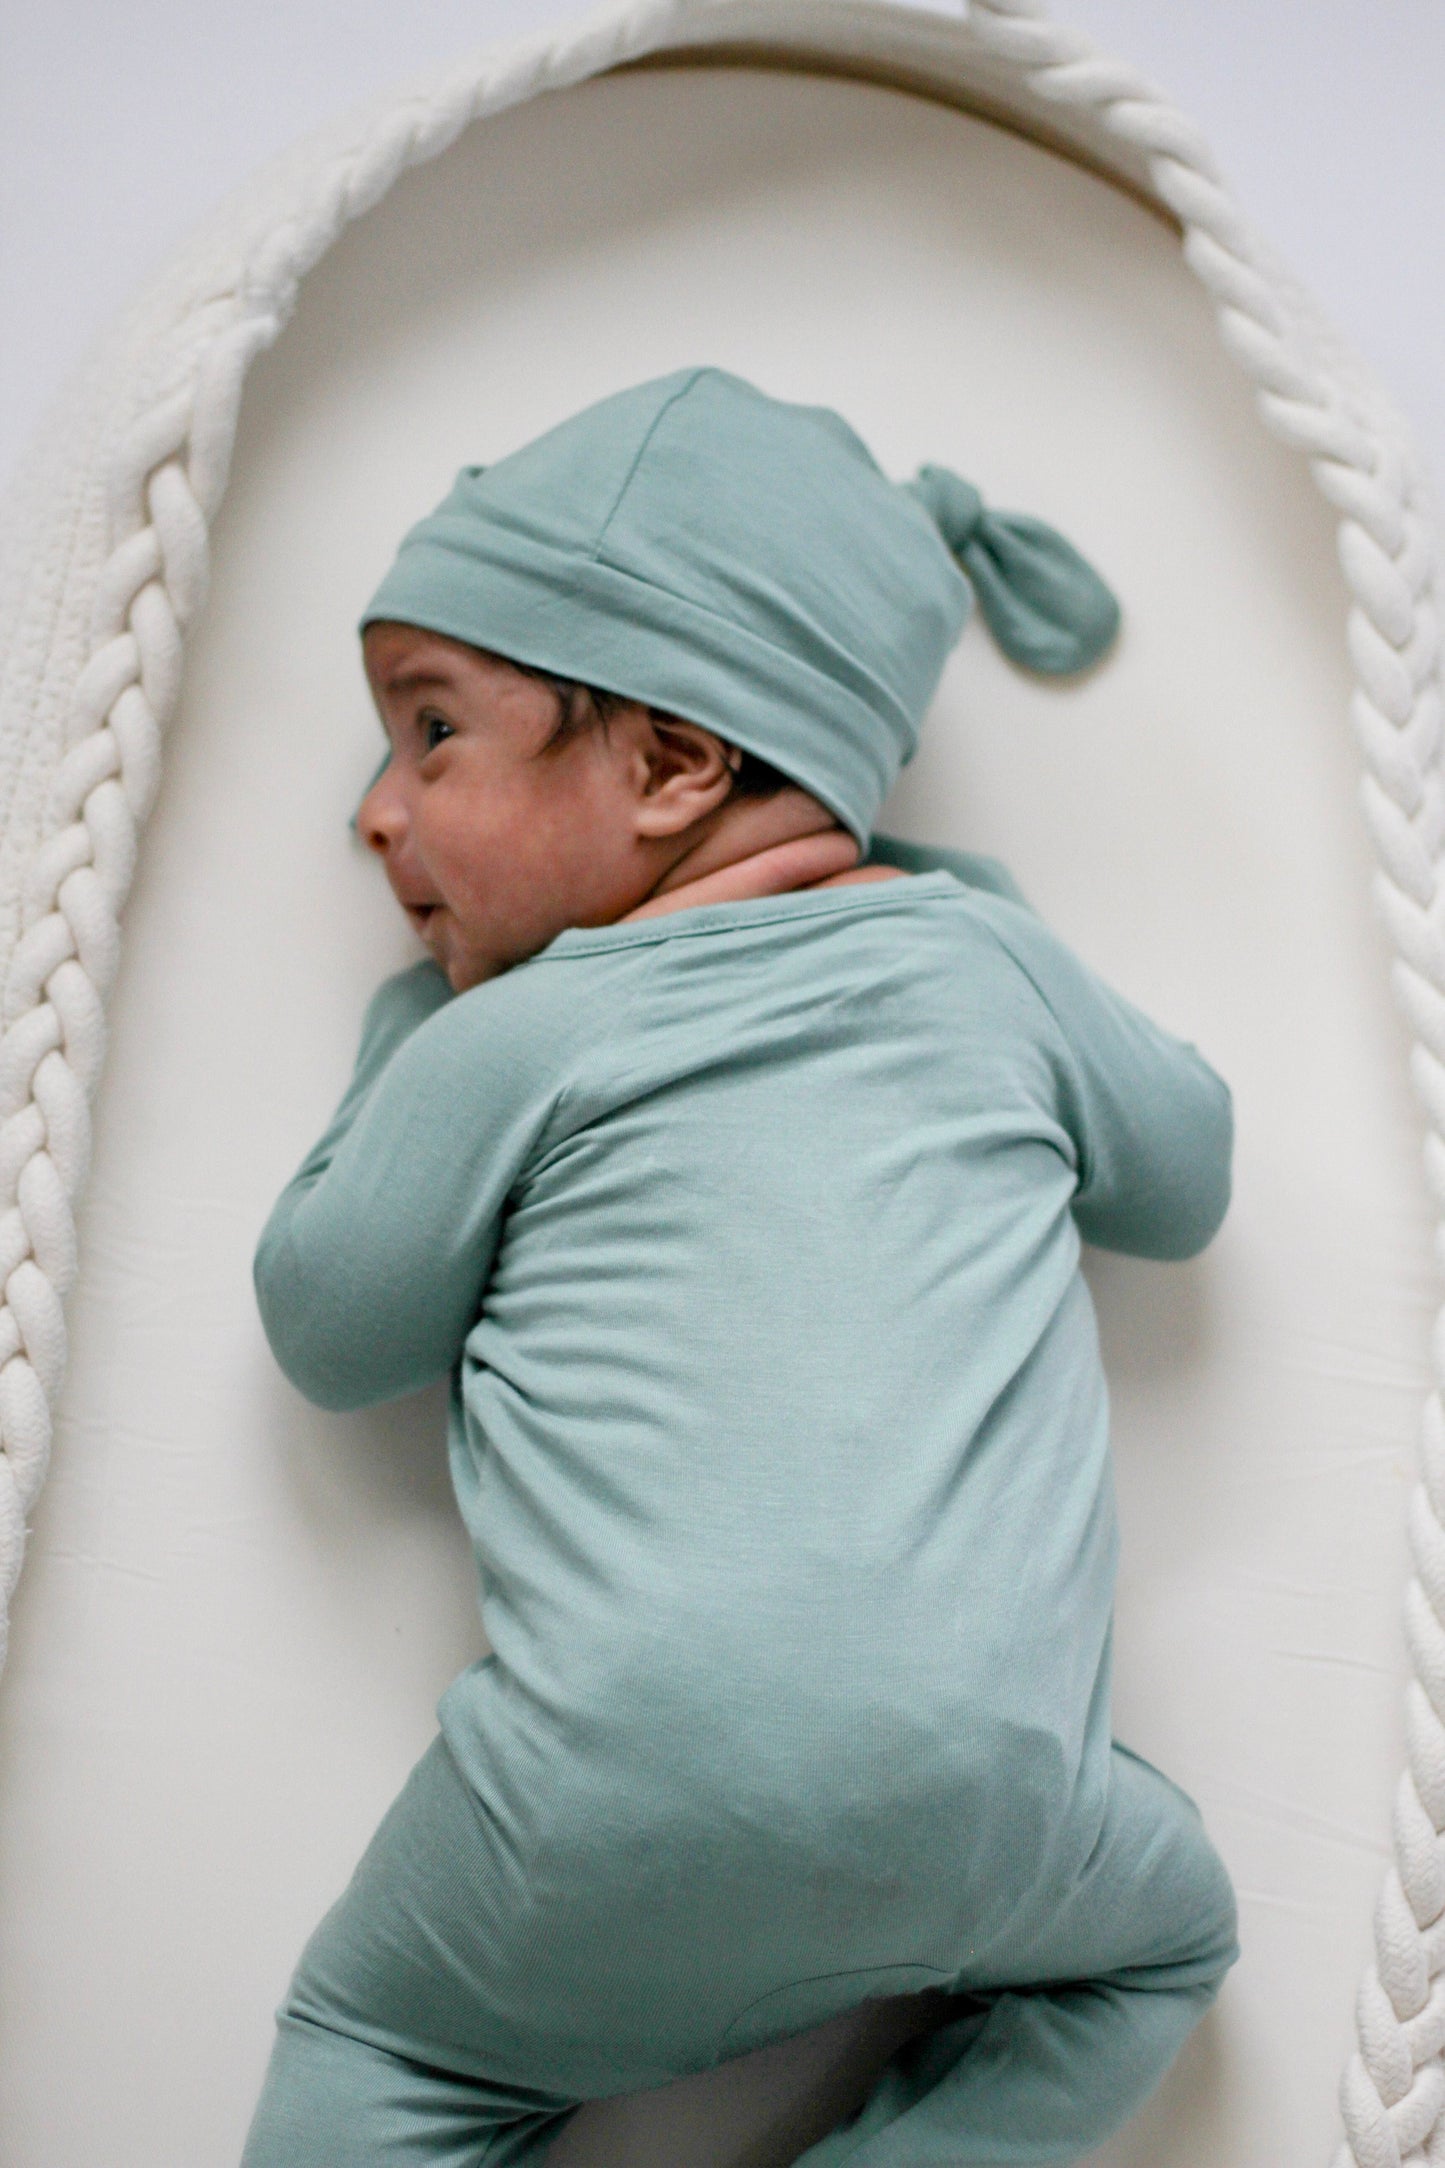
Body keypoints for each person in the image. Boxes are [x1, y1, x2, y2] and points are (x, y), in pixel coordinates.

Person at [240, 366, 1238, 2167]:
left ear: (677, 766)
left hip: (604, 1811)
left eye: (430, 734)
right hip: (996, 1823)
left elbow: (330, 1326)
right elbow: (1183, 1183)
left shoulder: (520, 1038)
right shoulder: (981, 965)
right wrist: (988, 927)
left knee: (374, 2050)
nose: (371, 814)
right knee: (1164, 1945)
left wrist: (413, 1041)